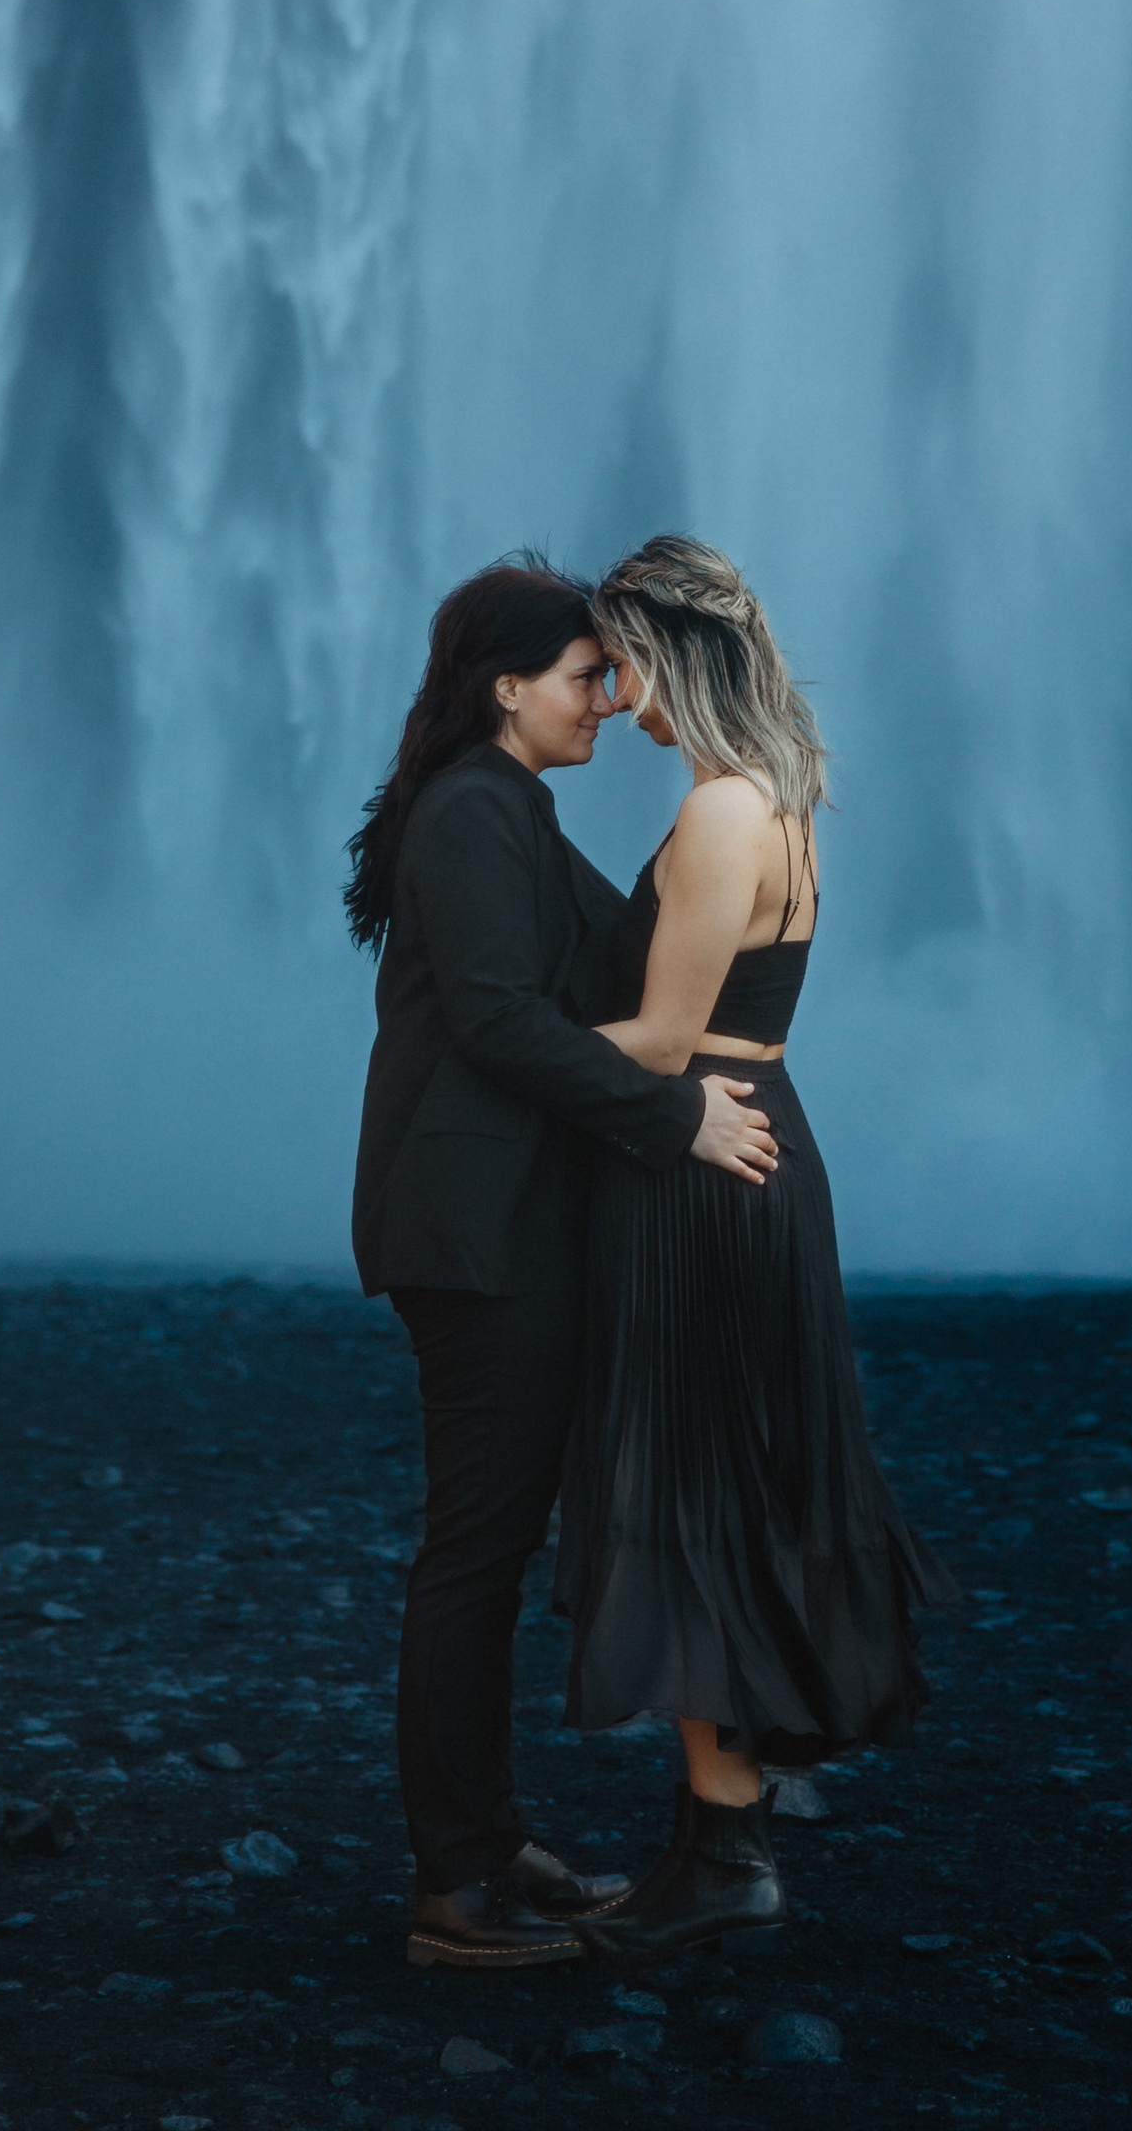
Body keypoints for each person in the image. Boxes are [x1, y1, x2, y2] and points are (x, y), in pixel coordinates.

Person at [348, 554, 784, 1971]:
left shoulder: (503, 807)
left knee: (491, 1541)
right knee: (474, 1551)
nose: (607, 699)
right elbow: (493, 1020)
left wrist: (749, 818)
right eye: (588, 676)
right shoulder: (476, 812)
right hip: (474, 1231)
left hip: (508, 1218)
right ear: (507, 688)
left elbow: (620, 959)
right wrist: (675, 1115)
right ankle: (454, 1888)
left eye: (616, 674)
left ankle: (487, 1845)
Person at [554, 534, 951, 1964]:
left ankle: (723, 1857)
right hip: (738, 1139)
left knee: (692, 1481)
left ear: (679, 657)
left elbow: (662, 1043)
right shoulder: (770, 804)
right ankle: (713, 1847)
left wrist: (486, 1055)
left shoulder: (728, 813)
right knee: (714, 1480)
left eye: (620, 664)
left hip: (704, 1159)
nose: (609, 695)